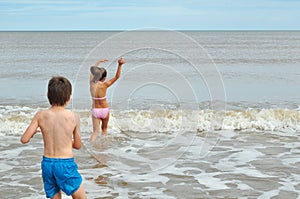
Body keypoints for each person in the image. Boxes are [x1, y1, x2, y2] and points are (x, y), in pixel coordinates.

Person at [20, 76, 86, 199]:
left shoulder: (40, 115)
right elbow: (78, 145)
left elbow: (24, 139)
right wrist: (65, 141)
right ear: (69, 97)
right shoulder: (73, 117)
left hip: (47, 165)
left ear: (48, 95)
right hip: (65, 165)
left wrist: (34, 133)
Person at [89, 58, 125, 141]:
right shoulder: (105, 85)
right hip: (105, 110)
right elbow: (117, 77)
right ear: (104, 78)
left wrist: (98, 62)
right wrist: (120, 65)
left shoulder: (91, 84)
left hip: (95, 110)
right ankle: (104, 147)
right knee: (104, 130)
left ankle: (91, 147)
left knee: (95, 132)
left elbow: (92, 73)